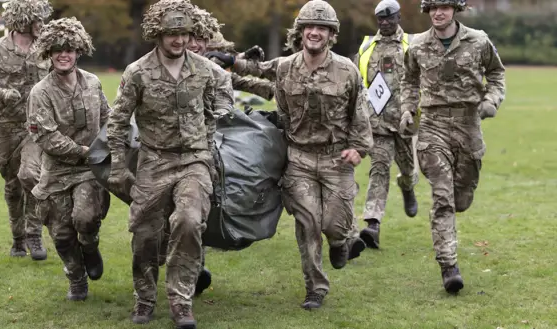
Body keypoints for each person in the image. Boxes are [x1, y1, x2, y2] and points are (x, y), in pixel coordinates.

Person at [208, 0, 372, 310]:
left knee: (334, 225)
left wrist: (359, 147)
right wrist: (229, 60)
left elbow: (360, 112)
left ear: (331, 34)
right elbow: (260, 68)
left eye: (321, 28)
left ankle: (340, 242)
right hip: (299, 158)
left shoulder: (346, 70)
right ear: (300, 32)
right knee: (307, 223)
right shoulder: (287, 66)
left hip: (336, 159)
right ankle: (315, 288)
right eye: (309, 27)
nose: (314, 32)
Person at [106, 0, 222, 327]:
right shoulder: (138, 72)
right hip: (154, 161)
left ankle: (181, 301)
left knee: (189, 221)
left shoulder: (204, 70)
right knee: (145, 235)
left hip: (193, 161)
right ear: (157, 34)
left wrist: (207, 153)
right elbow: (117, 122)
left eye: (185, 33)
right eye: (172, 34)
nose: (179, 40)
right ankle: (144, 299)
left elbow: (212, 114)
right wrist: (118, 165)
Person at [399, 0, 505, 294]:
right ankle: (449, 266)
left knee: (462, 196)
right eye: (433, 7)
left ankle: (462, 194)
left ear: (455, 9)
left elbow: (496, 74)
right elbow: (408, 80)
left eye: (444, 7)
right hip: (432, 126)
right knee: (442, 197)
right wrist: (408, 109)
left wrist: (491, 100)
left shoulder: (478, 41)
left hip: (468, 124)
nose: (438, 13)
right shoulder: (418, 46)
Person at [27, 17, 111, 301]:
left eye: (69, 49)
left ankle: (90, 245)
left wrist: (113, 143)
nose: (64, 54)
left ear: (78, 51)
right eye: (57, 50)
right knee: (62, 235)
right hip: (57, 171)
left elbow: (108, 118)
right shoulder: (41, 92)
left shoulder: (93, 83)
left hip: (89, 170)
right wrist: (83, 151)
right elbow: (47, 137)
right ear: (48, 53)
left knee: (85, 218)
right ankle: (76, 279)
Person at [0, 0, 52, 260]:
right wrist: (1, 94)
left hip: (37, 129)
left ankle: (34, 235)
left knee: (31, 176)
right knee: (13, 186)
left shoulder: (47, 48)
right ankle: (18, 238)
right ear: (23, 21)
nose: (42, 24)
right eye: (37, 19)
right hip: (8, 128)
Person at [352, 0, 419, 249]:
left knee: (408, 168)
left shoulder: (412, 45)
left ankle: (408, 187)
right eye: (381, 18)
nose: (385, 22)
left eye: (390, 18)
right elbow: (356, 82)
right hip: (377, 123)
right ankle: (373, 224)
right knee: (379, 168)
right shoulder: (367, 47)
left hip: (404, 122)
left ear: (399, 18)